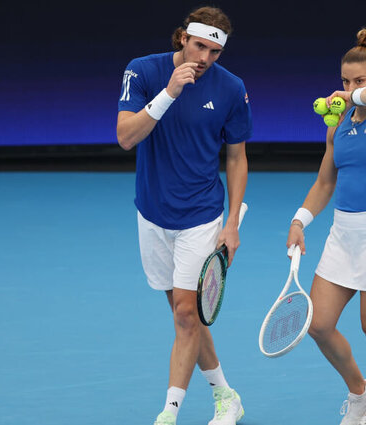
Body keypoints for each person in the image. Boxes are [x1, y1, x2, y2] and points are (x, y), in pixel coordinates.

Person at [116, 6, 251, 425]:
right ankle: (226, 394)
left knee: (185, 314)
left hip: (201, 215)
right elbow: (125, 137)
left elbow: (237, 158)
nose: (205, 59)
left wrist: (231, 223)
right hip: (152, 214)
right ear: (182, 38)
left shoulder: (231, 89)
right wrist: (170, 92)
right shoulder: (142, 72)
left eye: (215, 51)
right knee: (183, 311)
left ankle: (168, 413)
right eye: (199, 46)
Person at [285, 28, 366, 425]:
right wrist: (299, 220)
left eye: (359, 80)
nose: (348, 87)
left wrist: (353, 96)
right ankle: (358, 390)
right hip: (342, 236)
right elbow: (326, 183)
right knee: (319, 325)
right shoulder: (336, 126)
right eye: (344, 80)